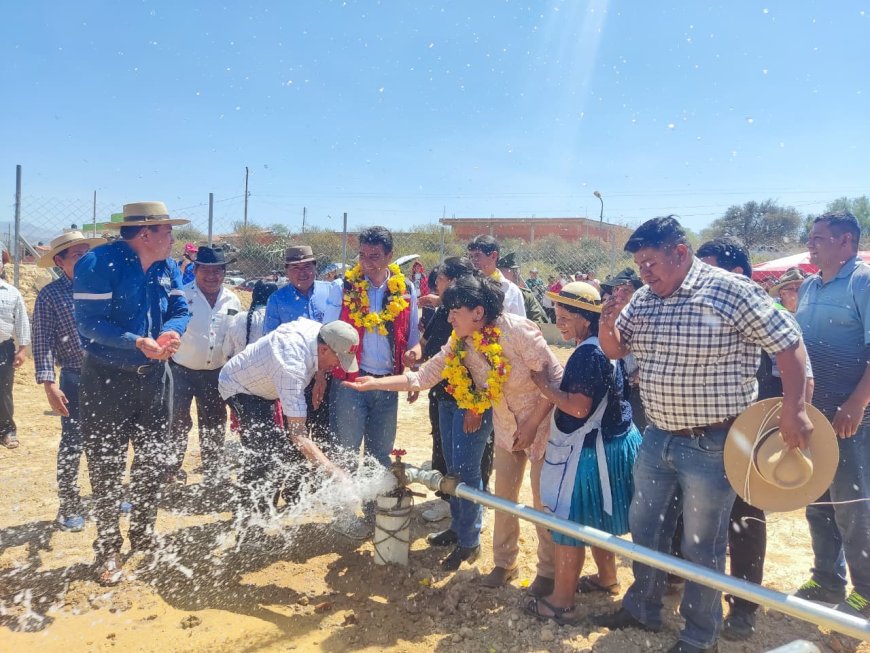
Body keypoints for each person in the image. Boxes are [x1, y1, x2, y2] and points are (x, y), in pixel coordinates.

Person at [592, 216, 812, 653]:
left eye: (651, 262)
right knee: (646, 528)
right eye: (639, 265)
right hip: (658, 437)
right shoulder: (644, 298)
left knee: (702, 544)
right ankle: (643, 608)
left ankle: (698, 635)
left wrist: (796, 408)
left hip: (713, 442)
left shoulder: (731, 290)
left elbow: (788, 344)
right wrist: (607, 322)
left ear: (680, 252)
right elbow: (617, 349)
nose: (645, 272)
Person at [345, 272, 559, 577]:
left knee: (542, 505)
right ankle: (504, 564)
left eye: (454, 312)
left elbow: (555, 380)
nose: (449, 319)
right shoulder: (460, 341)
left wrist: (533, 423)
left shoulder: (519, 332)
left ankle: (548, 574)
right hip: (507, 429)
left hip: (543, 427)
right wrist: (376, 383)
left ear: (478, 313)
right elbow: (422, 376)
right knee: (502, 500)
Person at [696, 236, 815, 640]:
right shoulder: (699, 315)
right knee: (690, 512)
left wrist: (779, 431)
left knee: (743, 520)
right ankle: (685, 587)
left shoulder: (774, 316)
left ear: (739, 273)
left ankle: (743, 605)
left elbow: (803, 381)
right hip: (701, 435)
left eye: (709, 270)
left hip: (752, 438)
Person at [74, 201, 191, 586]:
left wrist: (172, 331)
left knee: (152, 461)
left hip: (155, 379)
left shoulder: (167, 266)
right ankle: (108, 548)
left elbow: (179, 306)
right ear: (146, 234)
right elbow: (89, 325)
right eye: (167, 231)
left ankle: (143, 533)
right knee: (106, 465)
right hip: (107, 379)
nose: (173, 238)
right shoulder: (97, 264)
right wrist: (137, 341)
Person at [522, 281, 641, 625]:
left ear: (584, 316)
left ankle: (562, 602)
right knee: (597, 518)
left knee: (570, 522)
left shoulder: (587, 354)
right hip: (615, 442)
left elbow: (577, 408)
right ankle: (607, 577)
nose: (558, 321)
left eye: (565, 315)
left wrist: (544, 386)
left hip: (589, 453)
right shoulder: (605, 344)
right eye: (556, 314)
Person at [793, 210, 870, 621]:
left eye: (819, 238)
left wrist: (857, 403)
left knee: (853, 507)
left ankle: (866, 594)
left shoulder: (864, 282)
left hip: (855, 420)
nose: (811, 244)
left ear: (846, 242)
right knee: (817, 499)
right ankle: (826, 578)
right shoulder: (808, 286)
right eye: (811, 237)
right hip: (816, 418)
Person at [218, 318, 359, 524]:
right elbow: (299, 434)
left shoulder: (320, 332)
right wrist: (334, 472)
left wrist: (320, 375)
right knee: (265, 454)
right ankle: (249, 523)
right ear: (324, 350)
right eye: (338, 359)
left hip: (269, 382)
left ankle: (267, 508)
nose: (338, 366)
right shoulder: (291, 367)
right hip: (240, 386)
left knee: (282, 451)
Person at [329, 226, 420, 538]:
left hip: (386, 384)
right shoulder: (344, 286)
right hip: (351, 384)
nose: (367, 262)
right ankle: (343, 516)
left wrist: (413, 363)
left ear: (390, 257)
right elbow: (328, 332)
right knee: (346, 451)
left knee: (380, 454)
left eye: (375, 257)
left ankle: (373, 513)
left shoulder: (405, 288)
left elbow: (414, 337)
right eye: (363, 256)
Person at [31, 230, 105, 530]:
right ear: (60, 262)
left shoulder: (101, 288)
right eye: (78, 255)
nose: (86, 259)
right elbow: (42, 342)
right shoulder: (50, 295)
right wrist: (49, 384)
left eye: (88, 253)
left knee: (107, 439)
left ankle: (107, 497)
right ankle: (69, 504)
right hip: (74, 378)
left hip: (107, 376)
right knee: (73, 443)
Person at [413, 257, 494, 524]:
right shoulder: (445, 311)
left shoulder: (474, 319)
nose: (436, 284)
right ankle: (452, 505)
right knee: (443, 448)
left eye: (440, 280)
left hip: (466, 398)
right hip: (440, 390)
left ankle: (471, 515)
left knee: (470, 460)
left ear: (455, 281)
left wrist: (475, 405)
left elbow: (487, 370)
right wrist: (415, 354)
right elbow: (426, 343)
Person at [165, 246, 241, 489]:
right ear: (196, 270)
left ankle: (213, 475)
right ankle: (171, 472)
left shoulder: (233, 300)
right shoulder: (180, 296)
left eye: (218, 271)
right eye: (206, 270)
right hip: (181, 371)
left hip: (216, 374)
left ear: (224, 273)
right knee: (177, 422)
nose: (212, 276)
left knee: (214, 424)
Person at [264, 245, 343, 447]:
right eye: (295, 268)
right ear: (286, 271)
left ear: (316, 267)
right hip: (295, 378)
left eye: (307, 266)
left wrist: (322, 374)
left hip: (331, 374)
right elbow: (271, 340)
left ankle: (323, 474)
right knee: (296, 432)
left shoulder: (331, 292)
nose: (302, 272)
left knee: (329, 431)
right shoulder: (277, 300)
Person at [599, 269, 645, 431]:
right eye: (616, 289)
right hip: (615, 386)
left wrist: (641, 373)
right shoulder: (608, 316)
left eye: (626, 290)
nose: (619, 293)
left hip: (638, 389)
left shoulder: (643, 317)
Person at [0, 260, 31, 450]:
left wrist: (22, 348)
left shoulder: (12, 293)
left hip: (3, 349)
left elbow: (21, 320)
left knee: (3, 392)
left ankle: (7, 431)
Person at [466, 235, 526, 317]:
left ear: (493, 256)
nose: (473, 261)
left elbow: (519, 327)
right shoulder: (465, 286)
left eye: (477, 255)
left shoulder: (510, 291)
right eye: (470, 256)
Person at [223, 280, 279, 359]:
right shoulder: (283, 321)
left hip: (239, 368)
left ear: (253, 295)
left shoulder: (239, 318)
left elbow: (227, 351)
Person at [498, 253, 549, 325]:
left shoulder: (526, 295)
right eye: (511, 271)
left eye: (516, 271)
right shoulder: (491, 291)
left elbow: (536, 320)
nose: (516, 274)